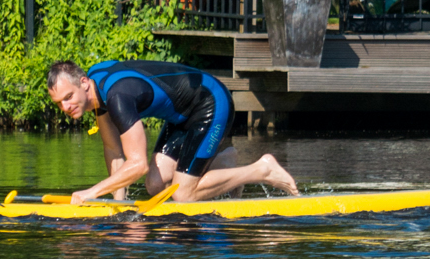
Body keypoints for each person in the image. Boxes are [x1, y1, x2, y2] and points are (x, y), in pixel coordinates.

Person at [46, 59, 298, 204]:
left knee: (182, 194)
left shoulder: (117, 98)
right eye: (59, 103)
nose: (65, 107)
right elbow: (113, 150)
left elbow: (137, 164)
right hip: (181, 115)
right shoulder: (95, 89)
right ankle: (223, 163)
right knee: (155, 185)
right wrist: (118, 205)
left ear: (83, 83)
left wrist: (92, 193)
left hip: (211, 101)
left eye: (68, 97)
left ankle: (261, 169)